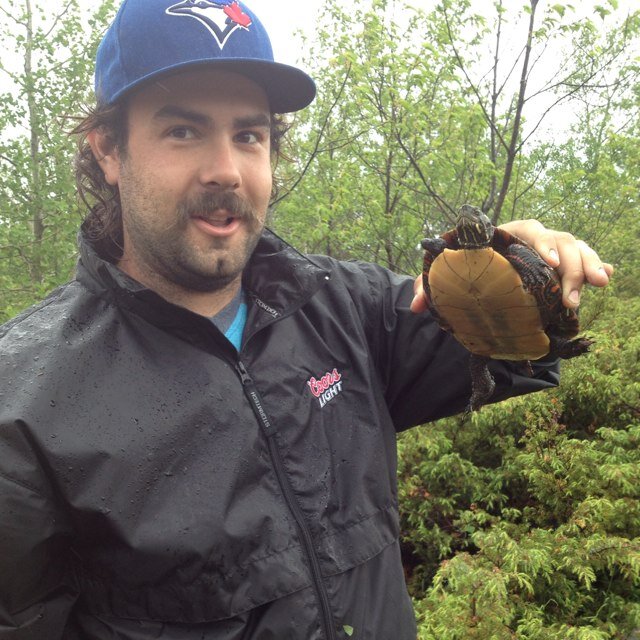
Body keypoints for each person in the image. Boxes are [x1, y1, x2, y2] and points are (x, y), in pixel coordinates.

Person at [0, 1, 613, 638]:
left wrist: (534, 270)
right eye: (182, 131)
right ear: (108, 150)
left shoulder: (348, 308)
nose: (226, 170)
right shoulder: (24, 406)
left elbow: (509, 351)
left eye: (249, 134)